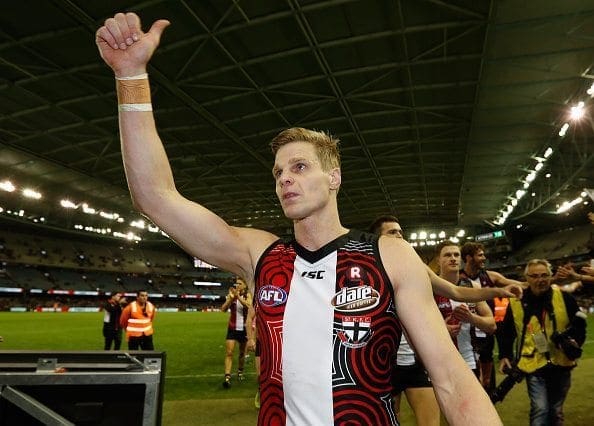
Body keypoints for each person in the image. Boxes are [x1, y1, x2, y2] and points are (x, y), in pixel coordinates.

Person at [95, 14, 502, 425]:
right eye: (278, 172)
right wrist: (131, 76)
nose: (285, 177)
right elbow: (154, 197)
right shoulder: (260, 255)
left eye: (301, 167)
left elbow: (450, 377)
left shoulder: (389, 255)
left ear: (334, 178)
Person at [369, 215, 519, 426]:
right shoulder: (366, 270)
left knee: (430, 423)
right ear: (377, 239)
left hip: (415, 361)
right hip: (384, 362)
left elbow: (456, 291)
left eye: (401, 232)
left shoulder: (416, 266)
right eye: (392, 232)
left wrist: (499, 290)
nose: (400, 236)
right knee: (390, 421)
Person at [498, 259, 587, 425]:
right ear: (527, 278)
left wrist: (574, 342)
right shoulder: (516, 302)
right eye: (535, 276)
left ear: (551, 276)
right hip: (533, 364)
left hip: (561, 363)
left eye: (545, 275)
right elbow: (506, 332)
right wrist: (504, 355)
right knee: (540, 409)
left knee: (555, 411)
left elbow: (580, 325)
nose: (541, 279)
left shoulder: (565, 298)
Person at [460, 242, 525, 392]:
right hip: (467, 336)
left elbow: (522, 284)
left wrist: (550, 280)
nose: (484, 258)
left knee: (487, 382)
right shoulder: (458, 280)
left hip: (487, 330)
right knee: (471, 379)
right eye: (480, 255)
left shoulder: (491, 276)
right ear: (469, 258)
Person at [435, 241, 496, 377]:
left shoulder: (472, 287)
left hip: (468, 360)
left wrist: (471, 318)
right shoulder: (429, 288)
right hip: (438, 362)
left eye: (456, 255)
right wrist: (442, 330)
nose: (453, 258)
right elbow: (417, 326)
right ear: (438, 261)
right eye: (447, 255)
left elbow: (491, 325)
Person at [221, 277, 252, 388]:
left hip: (244, 329)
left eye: (239, 283)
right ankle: (227, 377)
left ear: (245, 285)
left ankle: (240, 371)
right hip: (232, 328)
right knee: (229, 352)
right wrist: (230, 298)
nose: (237, 285)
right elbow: (223, 309)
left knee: (242, 354)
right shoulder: (232, 296)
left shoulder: (248, 295)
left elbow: (248, 306)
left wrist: (237, 296)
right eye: (236, 283)